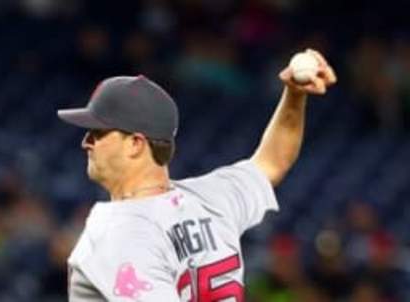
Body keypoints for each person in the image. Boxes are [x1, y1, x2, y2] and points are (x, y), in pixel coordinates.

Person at [58, 48, 336, 301]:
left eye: (98, 132)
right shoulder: (212, 198)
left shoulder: (117, 235)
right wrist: (295, 95)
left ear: (135, 144)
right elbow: (274, 160)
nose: (86, 142)